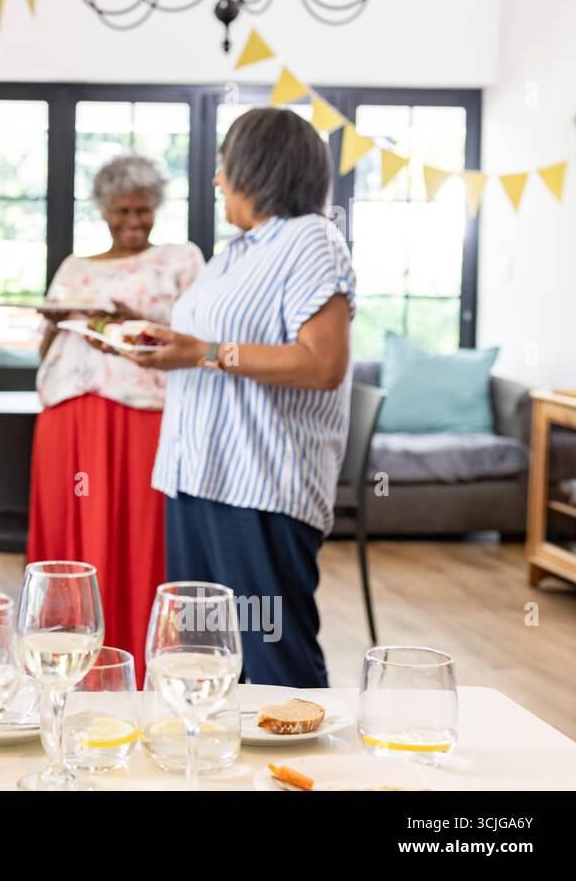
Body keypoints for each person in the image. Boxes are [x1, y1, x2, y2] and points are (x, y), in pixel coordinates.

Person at [114, 107, 355, 688]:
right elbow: (209, 343)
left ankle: (307, 775)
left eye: (224, 164)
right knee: (195, 665)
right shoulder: (235, 252)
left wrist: (204, 352)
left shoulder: (312, 241)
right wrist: (153, 333)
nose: (217, 178)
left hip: (260, 486)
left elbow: (323, 364)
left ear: (257, 167)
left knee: (277, 666)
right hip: (194, 475)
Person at [29, 155, 203, 682]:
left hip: (144, 413)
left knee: (140, 537)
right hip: (67, 414)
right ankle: (67, 672)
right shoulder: (75, 268)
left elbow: (199, 335)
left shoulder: (180, 259)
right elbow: (46, 349)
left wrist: (133, 321)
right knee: (72, 542)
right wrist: (63, 321)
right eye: (122, 211)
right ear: (103, 210)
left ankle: (144, 667)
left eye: (143, 211)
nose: (133, 221)